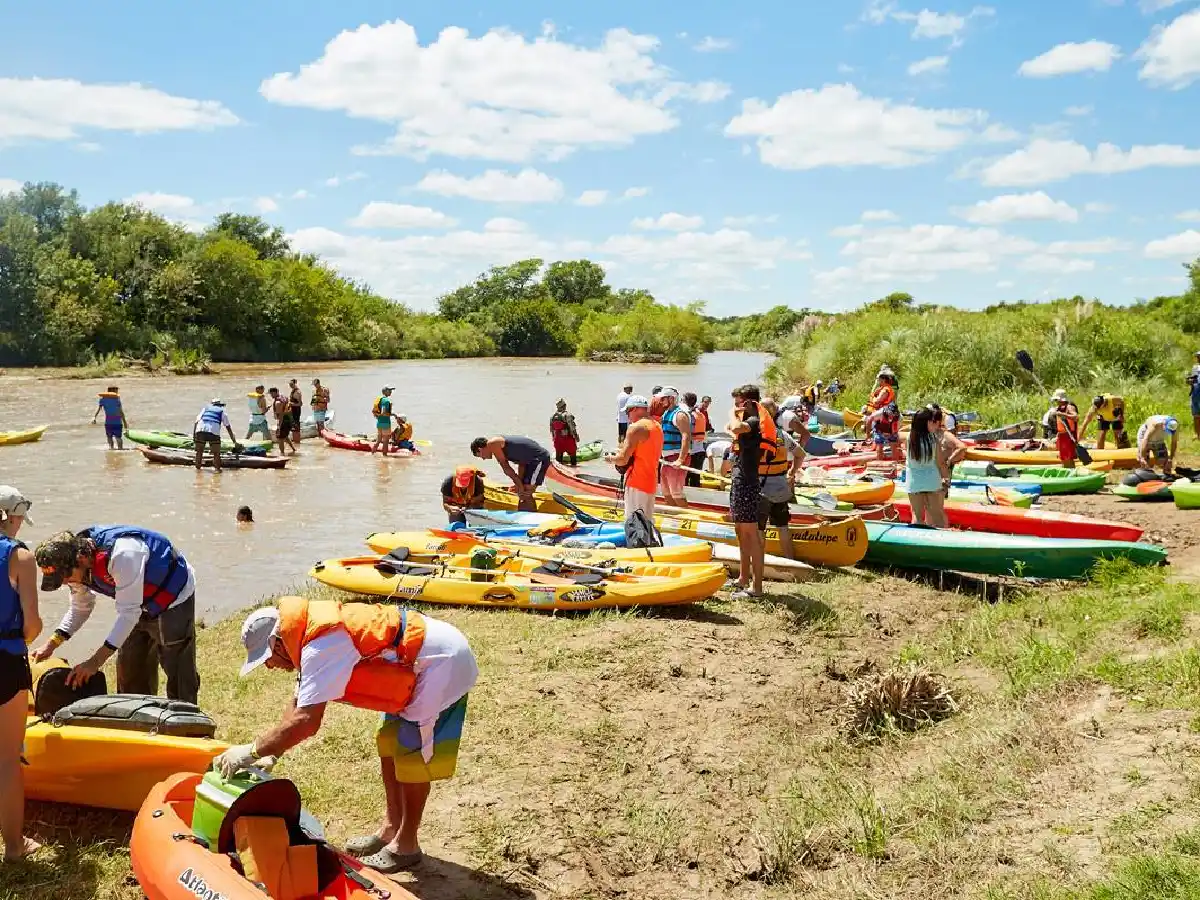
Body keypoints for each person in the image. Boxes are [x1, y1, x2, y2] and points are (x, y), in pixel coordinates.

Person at [223, 597, 478, 873]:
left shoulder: (323, 644)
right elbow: (297, 704)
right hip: (411, 664)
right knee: (388, 742)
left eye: (266, 659)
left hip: (440, 663)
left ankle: (407, 846)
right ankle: (391, 828)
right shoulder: (306, 638)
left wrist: (252, 751)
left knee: (411, 754)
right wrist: (272, 753)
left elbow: (306, 721)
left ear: (278, 644)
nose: (269, 667)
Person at [31, 525, 200, 703]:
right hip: (134, 602)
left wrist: (94, 662)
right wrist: (51, 644)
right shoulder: (74, 566)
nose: (66, 582)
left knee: (178, 669)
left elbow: (129, 614)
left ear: (81, 558)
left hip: (171, 596)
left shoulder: (123, 555)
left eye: (65, 577)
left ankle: (186, 715)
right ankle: (136, 714)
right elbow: (81, 607)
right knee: (130, 670)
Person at [0, 486, 42, 862]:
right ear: (8, 517)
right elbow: (32, 625)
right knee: (7, 759)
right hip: (5, 660)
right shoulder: (20, 556)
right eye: (17, 520)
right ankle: (14, 846)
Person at [727, 385, 775, 598]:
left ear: (747, 402)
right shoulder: (747, 422)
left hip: (747, 482)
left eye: (737, 403)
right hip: (739, 481)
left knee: (751, 534)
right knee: (740, 531)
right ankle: (743, 578)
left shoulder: (753, 422)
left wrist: (732, 413)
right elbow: (732, 428)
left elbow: (735, 427)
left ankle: (756, 588)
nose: (735, 407)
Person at [905, 407, 967, 528]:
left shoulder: (910, 438)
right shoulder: (933, 439)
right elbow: (940, 463)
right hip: (932, 481)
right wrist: (946, 478)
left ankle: (917, 537)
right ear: (926, 422)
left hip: (914, 481)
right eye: (931, 421)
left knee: (917, 516)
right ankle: (943, 537)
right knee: (937, 516)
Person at [757, 400, 802, 560]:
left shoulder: (754, 436)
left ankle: (759, 563)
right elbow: (800, 454)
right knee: (783, 527)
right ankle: (790, 561)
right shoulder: (782, 435)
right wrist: (792, 471)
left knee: (759, 529)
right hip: (781, 489)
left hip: (760, 491)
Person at [610, 395, 661, 525]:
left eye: (628, 412)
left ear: (635, 409)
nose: (628, 416)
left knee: (634, 523)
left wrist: (610, 458)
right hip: (650, 481)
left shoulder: (636, 428)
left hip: (636, 482)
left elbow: (622, 460)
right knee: (646, 522)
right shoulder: (656, 426)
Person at [470, 436, 552, 512]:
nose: (483, 459)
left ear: (480, 449)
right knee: (522, 492)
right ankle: (523, 513)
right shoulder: (500, 447)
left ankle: (531, 516)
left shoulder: (492, 444)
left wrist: (520, 486)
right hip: (529, 461)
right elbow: (521, 464)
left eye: (480, 456)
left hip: (539, 459)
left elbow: (506, 468)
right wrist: (519, 484)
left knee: (526, 492)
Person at [656, 387, 692, 509]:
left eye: (663, 399)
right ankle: (673, 513)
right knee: (666, 492)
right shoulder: (666, 414)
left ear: (671, 399)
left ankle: (685, 514)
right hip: (666, 458)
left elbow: (686, 436)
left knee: (676, 492)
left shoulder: (680, 415)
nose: (661, 401)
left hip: (676, 456)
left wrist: (681, 459)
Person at [193, 399, 239, 473]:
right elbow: (228, 428)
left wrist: (194, 437)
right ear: (220, 406)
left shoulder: (205, 409)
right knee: (216, 453)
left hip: (200, 430)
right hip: (213, 431)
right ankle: (217, 470)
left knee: (199, 452)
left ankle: (198, 471)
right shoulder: (222, 412)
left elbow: (196, 422)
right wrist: (234, 442)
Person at [1049, 388, 1081, 468]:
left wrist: (1063, 414)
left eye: (1057, 400)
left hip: (1069, 435)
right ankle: (1066, 470)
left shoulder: (1069, 407)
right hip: (1061, 435)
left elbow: (1076, 417)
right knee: (1063, 458)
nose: (1056, 402)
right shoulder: (1059, 408)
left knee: (1069, 457)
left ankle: (1072, 471)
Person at [93, 386, 128, 450]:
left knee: (109, 437)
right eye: (116, 391)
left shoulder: (102, 400)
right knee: (118, 437)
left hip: (108, 422)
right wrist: (125, 423)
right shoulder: (117, 400)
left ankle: (111, 449)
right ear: (113, 391)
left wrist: (94, 417)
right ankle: (120, 449)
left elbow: (98, 409)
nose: (117, 392)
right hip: (117, 422)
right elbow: (121, 412)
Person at [685, 392, 708, 488]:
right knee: (695, 480)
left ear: (685, 402)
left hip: (691, 452)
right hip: (700, 451)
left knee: (685, 479)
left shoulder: (688, 415)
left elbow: (686, 435)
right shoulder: (701, 415)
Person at [549, 399, 580, 467]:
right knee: (573, 460)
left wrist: (554, 439)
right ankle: (574, 470)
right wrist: (576, 437)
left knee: (558, 462)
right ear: (565, 405)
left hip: (558, 440)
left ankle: (559, 472)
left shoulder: (553, 417)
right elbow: (572, 428)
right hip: (568, 440)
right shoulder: (568, 415)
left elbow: (552, 430)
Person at [371, 386, 399, 456]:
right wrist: (393, 414)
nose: (391, 392)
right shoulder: (386, 401)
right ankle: (384, 457)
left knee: (378, 441)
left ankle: (372, 454)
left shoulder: (379, 399)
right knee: (385, 442)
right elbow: (383, 413)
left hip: (379, 423)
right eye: (389, 390)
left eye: (391, 390)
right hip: (385, 424)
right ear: (385, 391)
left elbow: (376, 412)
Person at [269, 387, 296, 455]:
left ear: (274, 393)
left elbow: (281, 416)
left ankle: (282, 454)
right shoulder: (284, 397)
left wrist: (279, 427)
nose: (271, 395)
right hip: (289, 420)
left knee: (280, 438)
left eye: (271, 394)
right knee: (285, 436)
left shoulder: (277, 402)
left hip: (284, 421)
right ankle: (293, 449)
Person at [288, 379, 304, 444]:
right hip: (292, 411)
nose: (290, 385)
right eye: (289, 384)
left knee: (296, 426)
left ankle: (297, 442)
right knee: (293, 426)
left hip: (296, 411)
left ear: (295, 383)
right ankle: (295, 441)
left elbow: (300, 404)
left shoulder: (297, 392)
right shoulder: (293, 391)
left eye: (291, 384)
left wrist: (291, 404)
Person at [1189, 351, 1200, 441]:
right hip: (1195, 394)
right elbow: (1192, 379)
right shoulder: (1195, 368)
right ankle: (1197, 434)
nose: (1199, 358)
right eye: (1198, 357)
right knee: (1196, 415)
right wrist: (1189, 381)